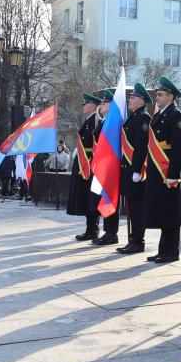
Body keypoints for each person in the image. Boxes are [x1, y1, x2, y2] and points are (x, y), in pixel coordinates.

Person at [144, 77, 181, 263]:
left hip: (168, 171)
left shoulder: (176, 115)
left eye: (161, 95)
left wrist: (173, 174)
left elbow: (178, 147)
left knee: (171, 213)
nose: (157, 98)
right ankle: (163, 250)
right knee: (163, 211)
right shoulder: (161, 114)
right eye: (157, 94)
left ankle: (172, 251)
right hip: (157, 170)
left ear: (170, 96)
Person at [116, 84, 153, 255]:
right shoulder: (133, 117)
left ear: (142, 101)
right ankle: (133, 240)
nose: (129, 100)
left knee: (138, 208)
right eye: (130, 97)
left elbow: (141, 146)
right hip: (128, 168)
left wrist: (137, 170)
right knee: (132, 206)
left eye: (133, 98)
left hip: (136, 171)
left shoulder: (143, 118)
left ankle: (138, 241)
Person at [68, 92, 103, 240]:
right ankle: (90, 228)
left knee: (92, 199)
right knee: (86, 198)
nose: (83, 106)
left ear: (93, 106)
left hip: (90, 166)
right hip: (84, 165)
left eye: (85, 103)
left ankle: (93, 230)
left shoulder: (95, 121)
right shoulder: (88, 121)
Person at [92, 89, 122, 246]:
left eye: (105, 102)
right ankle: (107, 231)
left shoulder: (114, 122)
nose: (101, 105)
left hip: (110, 164)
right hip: (103, 165)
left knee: (110, 196)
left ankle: (112, 233)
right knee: (103, 196)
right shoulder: (104, 121)